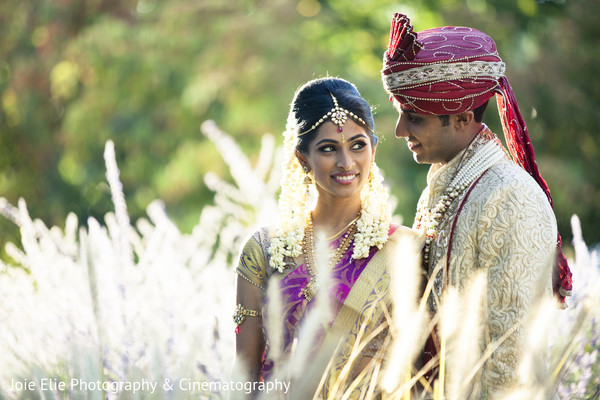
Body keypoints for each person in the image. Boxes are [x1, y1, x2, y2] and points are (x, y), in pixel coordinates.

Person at [380, 13, 573, 398]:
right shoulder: (446, 182)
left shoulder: (511, 197)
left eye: (414, 117)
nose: (401, 130)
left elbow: (510, 357)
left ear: (463, 118)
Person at [233, 77, 420, 399]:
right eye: (329, 149)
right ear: (302, 158)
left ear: (373, 150)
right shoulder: (264, 250)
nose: (346, 163)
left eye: (358, 145)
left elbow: (420, 369)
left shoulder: (404, 250)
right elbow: (245, 373)